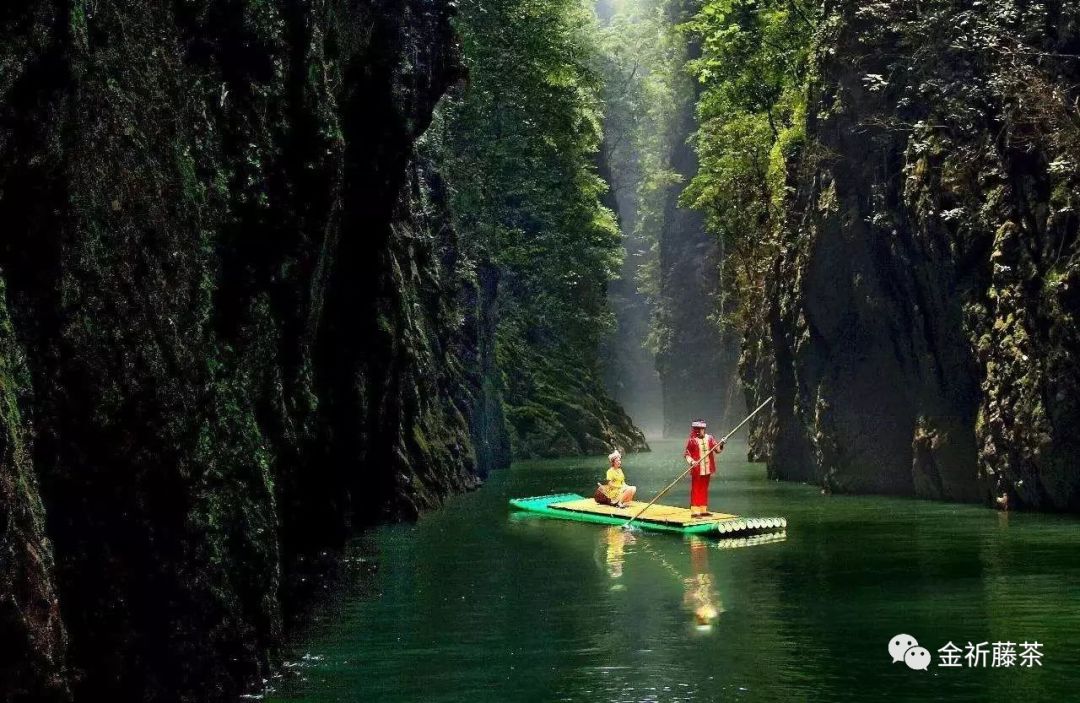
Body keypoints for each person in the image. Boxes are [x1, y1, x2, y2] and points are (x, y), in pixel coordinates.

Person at [684, 420, 725, 518]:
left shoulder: (710, 438)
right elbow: (687, 454)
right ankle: (695, 511)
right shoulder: (692, 441)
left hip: (707, 468)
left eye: (703, 429)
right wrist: (692, 462)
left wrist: (722, 443)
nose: (703, 431)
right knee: (696, 489)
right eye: (701, 429)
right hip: (697, 469)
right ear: (697, 430)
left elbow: (717, 450)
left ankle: (703, 509)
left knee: (704, 488)